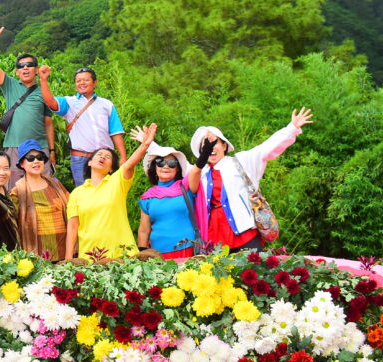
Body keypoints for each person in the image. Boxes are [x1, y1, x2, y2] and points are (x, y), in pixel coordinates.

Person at [188, 108, 314, 253]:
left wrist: (291, 128)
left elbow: (266, 148)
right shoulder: (199, 173)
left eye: (213, 143)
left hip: (245, 231)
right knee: (221, 275)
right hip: (214, 237)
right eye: (205, 145)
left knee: (253, 273)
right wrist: (153, 145)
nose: (210, 148)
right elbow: (170, 167)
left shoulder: (241, 161)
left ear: (224, 145)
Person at [66, 123, 157, 261]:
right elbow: (72, 227)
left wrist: (144, 146)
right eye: (99, 155)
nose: (102, 157)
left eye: (108, 157)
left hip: (122, 254)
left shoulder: (117, 182)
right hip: (90, 257)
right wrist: (68, 260)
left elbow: (129, 164)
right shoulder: (77, 193)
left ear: (110, 168)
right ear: (90, 162)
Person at [0, 19, 56, 183]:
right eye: (21, 66)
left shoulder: (43, 91)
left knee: (43, 188)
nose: (25, 68)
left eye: (29, 65)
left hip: (40, 147)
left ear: (36, 70)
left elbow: (48, 122)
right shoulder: (10, 85)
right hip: (14, 146)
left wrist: (51, 150)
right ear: (17, 72)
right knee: (15, 191)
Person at [40, 66, 126, 187]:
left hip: (105, 159)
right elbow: (50, 101)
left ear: (94, 83)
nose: (82, 83)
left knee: (106, 193)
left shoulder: (106, 104)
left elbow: (115, 132)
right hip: (81, 159)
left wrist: (123, 157)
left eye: (86, 80)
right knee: (83, 194)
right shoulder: (69, 102)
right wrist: (43, 80)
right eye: (78, 81)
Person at [134, 138, 199, 259]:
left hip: (187, 248)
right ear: (155, 167)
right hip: (158, 253)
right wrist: (142, 254)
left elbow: (197, 170)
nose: (166, 166)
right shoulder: (148, 196)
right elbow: (144, 229)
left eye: (172, 163)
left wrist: (205, 153)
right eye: (160, 162)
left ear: (177, 168)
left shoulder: (186, 187)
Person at [10, 140, 70, 262]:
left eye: (39, 157)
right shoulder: (17, 193)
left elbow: (72, 208)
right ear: (22, 164)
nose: (36, 161)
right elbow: (11, 225)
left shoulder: (56, 185)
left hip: (64, 251)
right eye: (30, 158)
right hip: (35, 255)